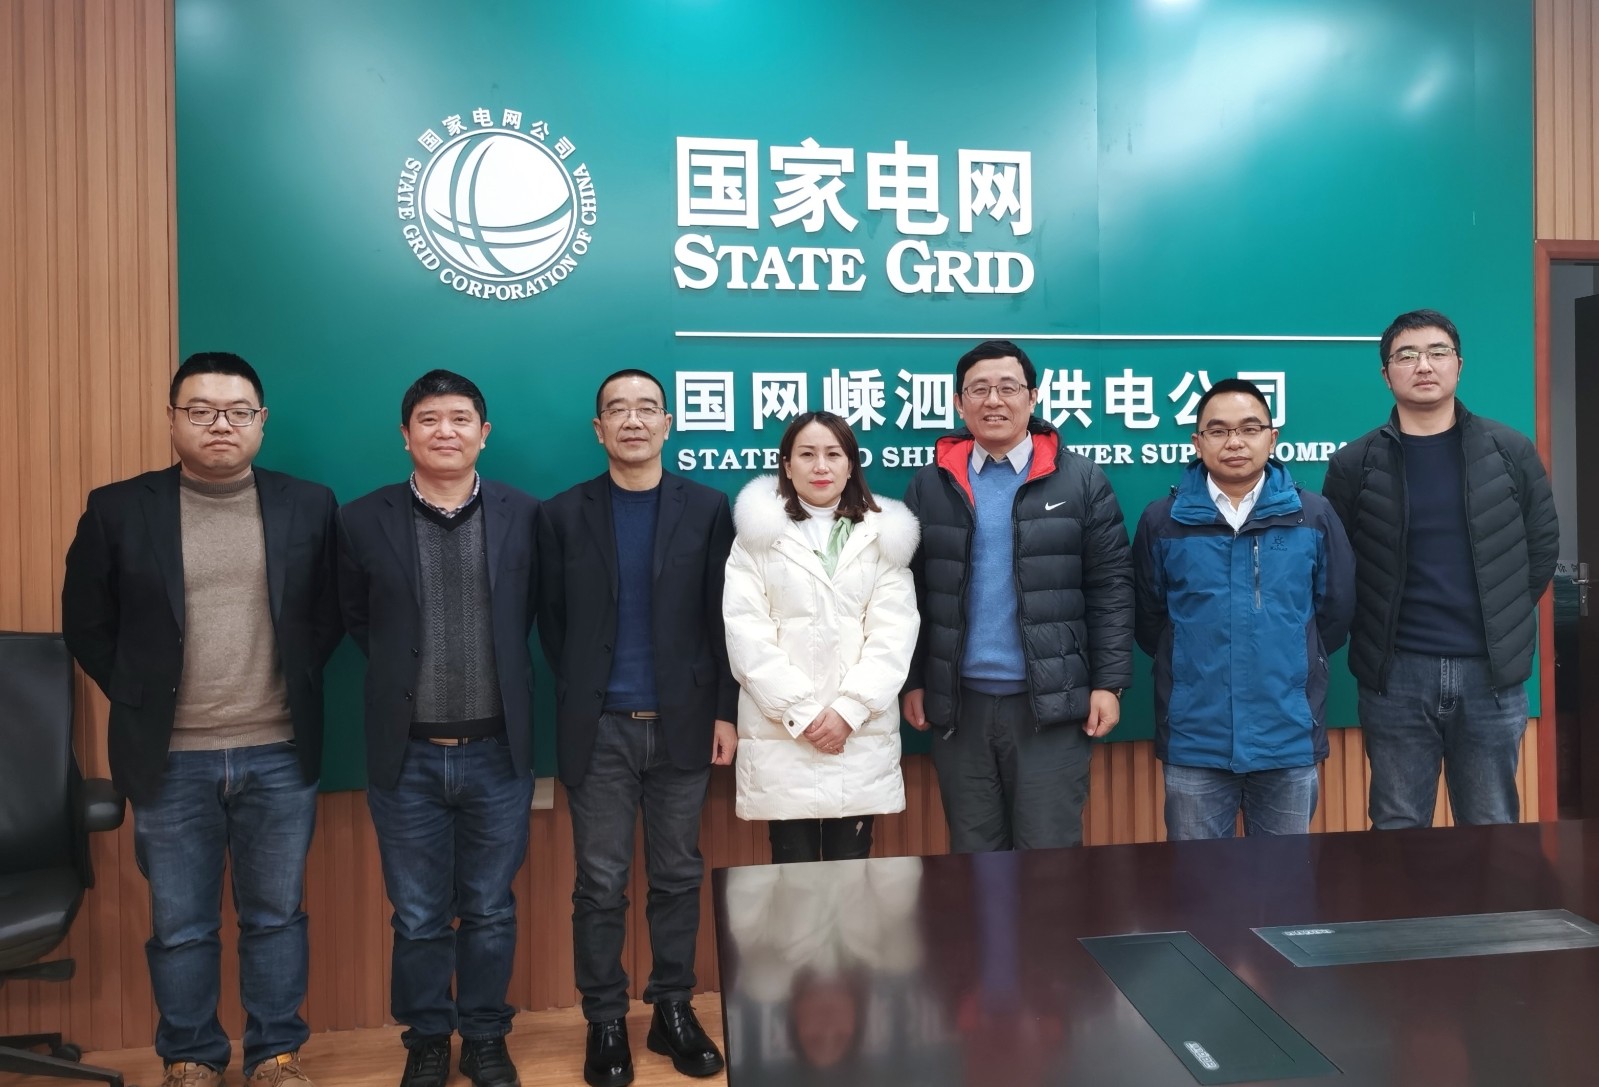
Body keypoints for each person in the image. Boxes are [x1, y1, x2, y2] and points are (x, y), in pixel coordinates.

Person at [61, 351, 341, 1087]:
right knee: (181, 924)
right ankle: (191, 1058)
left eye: (238, 411)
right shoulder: (119, 508)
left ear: (261, 420)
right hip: (170, 758)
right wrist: (141, 694)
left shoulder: (310, 504)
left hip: (279, 750)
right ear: (172, 418)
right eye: (201, 410)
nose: (221, 424)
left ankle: (275, 1055)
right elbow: (86, 623)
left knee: (276, 915)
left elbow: (329, 614)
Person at [337, 370, 539, 1087]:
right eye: (428, 419)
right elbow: (356, 619)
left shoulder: (526, 514)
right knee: (419, 912)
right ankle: (426, 1037)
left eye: (460, 418)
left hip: (498, 752)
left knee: (489, 908)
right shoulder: (361, 520)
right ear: (405, 435)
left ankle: (484, 1035)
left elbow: (540, 614)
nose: (444, 430)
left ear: (484, 433)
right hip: (408, 754)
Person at [537, 369, 737, 1087]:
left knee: (678, 874)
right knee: (600, 881)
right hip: (600, 730)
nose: (633, 420)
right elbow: (553, 623)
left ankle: (672, 1008)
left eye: (646, 408)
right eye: (617, 410)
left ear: (667, 422)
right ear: (598, 429)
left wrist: (723, 710)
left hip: (685, 724)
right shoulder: (562, 514)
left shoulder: (707, 508)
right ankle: (605, 1018)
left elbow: (724, 618)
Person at [1323, 310, 1559, 828]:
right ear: (1386, 374)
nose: (1423, 365)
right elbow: (1337, 565)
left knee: (1492, 824)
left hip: (1490, 675)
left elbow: (1541, 546)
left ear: (1459, 365)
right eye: (1406, 356)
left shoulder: (1510, 450)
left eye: (1437, 352)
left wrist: (1503, 616)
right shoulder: (1354, 463)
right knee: (1398, 824)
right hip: (1396, 676)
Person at [900, 339, 1134, 853]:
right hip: (959, 707)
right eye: (978, 389)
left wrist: (1109, 684)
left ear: (1033, 397)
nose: (994, 400)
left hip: (1052, 705)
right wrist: (914, 681)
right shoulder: (931, 484)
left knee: (1049, 859)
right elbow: (908, 593)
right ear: (959, 402)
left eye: (1008, 388)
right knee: (974, 856)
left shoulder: (1081, 480)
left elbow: (1112, 586)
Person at [1132, 378, 1355, 839]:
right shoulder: (1162, 521)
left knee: (1283, 877)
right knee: (1196, 879)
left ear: (1272, 438)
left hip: (1286, 736)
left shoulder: (1312, 516)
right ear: (1197, 442)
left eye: (1249, 429)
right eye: (1218, 431)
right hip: (1196, 739)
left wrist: (1296, 659)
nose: (1234, 442)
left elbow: (1334, 612)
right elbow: (1149, 618)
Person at [722, 411, 920, 863]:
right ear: (786, 465)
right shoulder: (755, 538)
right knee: (792, 876)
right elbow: (746, 633)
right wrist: (801, 714)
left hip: (858, 736)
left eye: (833, 454)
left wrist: (848, 711)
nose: (820, 466)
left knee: (852, 875)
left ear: (851, 465)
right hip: (782, 737)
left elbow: (894, 635)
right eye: (807, 454)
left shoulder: (884, 536)